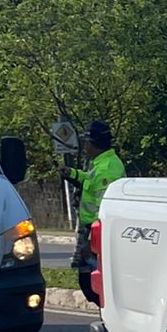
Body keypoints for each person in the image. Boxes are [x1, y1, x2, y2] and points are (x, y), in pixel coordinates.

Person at [62, 120, 126, 311]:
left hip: (97, 232)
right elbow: (90, 181)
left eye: (87, 142)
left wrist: (92, 241)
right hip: (91, 230)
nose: (86, 146)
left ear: (93, 143)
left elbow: (104, 207)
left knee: (93, 282)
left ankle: (108, 317)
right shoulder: (100, 163)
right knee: (89, 279)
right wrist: (73, 174)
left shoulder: (107, 168)